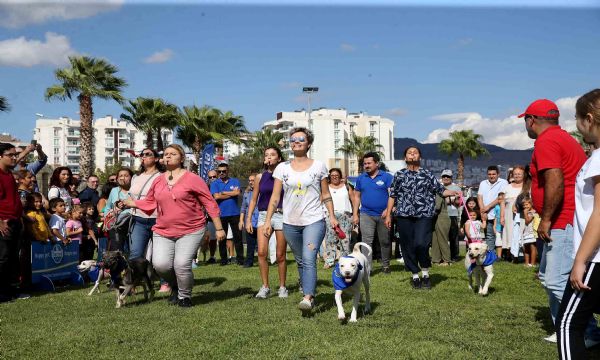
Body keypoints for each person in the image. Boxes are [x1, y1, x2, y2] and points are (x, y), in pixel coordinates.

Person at [519, 98, 596, 344]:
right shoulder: (562, 138)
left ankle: (588, 331)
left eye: (526, 121)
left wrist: (547, 219)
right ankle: (563, 326)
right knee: (547, 277)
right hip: (563, 218)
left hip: (562, 219)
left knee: (558, 279)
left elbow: (555, 180)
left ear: (531, 120)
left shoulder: (547, 140)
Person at [123, 144, 224, 307]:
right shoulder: (158, 180)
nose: (168, 156)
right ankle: (176, 285)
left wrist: (219, 229)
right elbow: (150, 202)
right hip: (163, 229)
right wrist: (132, 203)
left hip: (191, 229)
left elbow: (209, 202)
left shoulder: (193, 178)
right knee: (160, 265)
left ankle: (184, 296)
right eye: (166, 154)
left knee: (181, 264)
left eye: (173, 154)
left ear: (181, 158)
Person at [263, 127, 338, 313]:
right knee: (300, 260)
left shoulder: (319, 166)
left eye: (301, 139)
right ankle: (307, 287)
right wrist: (267, 221)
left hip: (314, 219)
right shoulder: (282, 168)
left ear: (308, 144)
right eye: (293, 139)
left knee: (308, 257)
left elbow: (326, 193)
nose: (296, 142)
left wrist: (332, 216)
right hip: (290, 223)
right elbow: (275, 197)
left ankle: (308, 297)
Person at [556, 88, 600, 358]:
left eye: (576, 119)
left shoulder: (598, 159)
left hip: (595, 258)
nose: (577, 126)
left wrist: (580, 260)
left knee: (567, 325)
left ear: (589, 119)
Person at [384, 146, 461, 290]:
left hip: (424, 215)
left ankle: (425, 272)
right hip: (403, 215)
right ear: (405, 158)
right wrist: (388, 215)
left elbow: (440, 190)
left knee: (421, 244)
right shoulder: (399, 175)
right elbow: (392, 195)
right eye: (409, 153)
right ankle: (415, 275)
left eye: (415, 152)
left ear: (420, 157)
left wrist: (452, 192)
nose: (412, 154)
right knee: (407, 246)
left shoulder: (427, 174)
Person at [246, 147, 288, 299]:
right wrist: (249, 219)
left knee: (280, 254)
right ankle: (265, 287)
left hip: (281, 215)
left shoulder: (285, 175)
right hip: (263, 216)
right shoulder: (259, 177)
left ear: (279, 158)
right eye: (266, 155)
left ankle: (283, 287)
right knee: (262, 252)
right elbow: (253, 199)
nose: (269, 157)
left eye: (272, 155)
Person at [352, 152, 394, 274]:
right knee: (366, 242)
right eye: (365, 163)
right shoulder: (361, 178)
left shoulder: (387, 177)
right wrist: (355, 214)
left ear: (377, 163)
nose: (366, 165)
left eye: (369, 163)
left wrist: (388, 210)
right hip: (366, 214)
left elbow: (392, 195)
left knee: (385, 241)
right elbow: (356, 197)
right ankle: (367, 268)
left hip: (384, 215)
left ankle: (386, 265)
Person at [0, 143, 25, 302]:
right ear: (0, 156)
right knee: (3, 258)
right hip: (4, 223)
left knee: (12, 258)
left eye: (16, 154)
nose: (15, 158)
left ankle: (9, 290)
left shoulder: (9, 173)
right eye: (11, 155)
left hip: (15, 221)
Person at [128, 148, 162, 260]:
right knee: (135, 255)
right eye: (142, 154)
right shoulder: (136, 177)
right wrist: (123, 203)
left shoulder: (162, 176)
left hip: (158, 220)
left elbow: (159, 199)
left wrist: (133, 203)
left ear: (156, 158)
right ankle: (134, 277)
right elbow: (131, 196)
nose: (144, 156)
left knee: (161, 257)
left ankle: (165, 278)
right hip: (138, 220)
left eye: (148, 154)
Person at [210, 163, 243, 265]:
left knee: (238, 237)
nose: (221, 173)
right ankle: (223, 260)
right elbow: (216, 197)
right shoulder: (214, 183)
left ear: (227, 171)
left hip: (235, 213)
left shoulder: (235, 181)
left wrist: (224, 192)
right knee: (222, 239)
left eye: (223, 171)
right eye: (219, 171)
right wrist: (231, 193)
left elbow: (237, 193)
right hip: (221, 214)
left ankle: (240, 259)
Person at [323, 168, 353, 269]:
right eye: (332, 175)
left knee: (345, 239)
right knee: (330, 239)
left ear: (340, 176)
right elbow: (321, 201)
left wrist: (355, 214)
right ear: (329, 177)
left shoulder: (347, 186)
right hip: (330, 215)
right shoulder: (326, 187)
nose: (334, 177)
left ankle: (345, 260)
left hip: (345, 215)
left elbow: (353, 199)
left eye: (336, 175)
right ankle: (329, 261)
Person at [477, 166, 509, 253]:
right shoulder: (483, 183)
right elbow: (479, 197)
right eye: (489, 174)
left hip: (498, 213)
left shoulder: (503, 182)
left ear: (498, 174)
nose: (491, 176)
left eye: (494, 174)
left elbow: (500, 198)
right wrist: (482, 211)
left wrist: (487, 207)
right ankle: (490, 253)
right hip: (486, 214)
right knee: (489, 235)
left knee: (500, 234)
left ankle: (503, 254)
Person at [102, 168, 133, 252]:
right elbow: (107, 207)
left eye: (126, 176)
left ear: (131, 177)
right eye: (120, 176)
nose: (123, 178)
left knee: (132, 251)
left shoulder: (135, 190)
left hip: (133, 224)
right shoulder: (114, 190)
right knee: (117, 250)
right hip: (116, 225)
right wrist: (107, 217)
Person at [500, 165, 526, 260]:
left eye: (519, 174)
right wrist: (502, 216)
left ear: (523, 175)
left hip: (522, 213)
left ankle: (522, 254)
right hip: (508, 215)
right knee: (509, 232)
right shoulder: (506, 187)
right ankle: (510, 254)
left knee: (521, 232)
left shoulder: (527, 186)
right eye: (515, 174)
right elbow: (502, 202)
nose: (517, 175)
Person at [441, 170, 462, 261]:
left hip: (452, 214)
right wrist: (450, 200)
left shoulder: (456, 188)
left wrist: (450, 200)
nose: (446, 178)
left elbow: (459, 202)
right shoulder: (438, 187)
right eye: (444, 176)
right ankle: (443, 255)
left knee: (453, 236)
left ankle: (455, 255)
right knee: (442, 236)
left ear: (451, 178)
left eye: (448, 176)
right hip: (440, 215)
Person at [239, 173, 259, 268]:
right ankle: (249, 262)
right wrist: (241, 220)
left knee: (260, 245)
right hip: (249, 221)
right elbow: (243, 207)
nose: (251, 182)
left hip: (260, 221)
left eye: (253, 180)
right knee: (250, 243)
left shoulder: (261, 192)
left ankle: (262, 261)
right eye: (249, 180)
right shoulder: (246, 193)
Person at [205, 170, 219, 264]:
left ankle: (228, 257)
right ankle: (211, 256)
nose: (212, 179)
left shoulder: (221, 185)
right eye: (210, 177)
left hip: (222, 214)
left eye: (214, 177)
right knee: (210, 238)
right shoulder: (205, 187)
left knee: (228, 238)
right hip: (209, 216)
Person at [521, 196, 539, 267]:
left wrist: (525, 213)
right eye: (524, 205)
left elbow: (528, 221)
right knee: (526, 247)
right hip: (526, 232)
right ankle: (526, 263)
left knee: (532, 247)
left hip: (532, 232)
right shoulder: (527, 212)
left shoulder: (532, 212)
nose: (525, 206)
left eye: (527, 204)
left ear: (531, 204)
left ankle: (533, 263)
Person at [492, 192, 505, 258]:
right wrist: (494, 226)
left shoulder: (507, 207)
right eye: (499, 199)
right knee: (498, 242)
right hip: (498, 227)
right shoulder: (496, 207)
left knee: (505, 241)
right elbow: (495, 217)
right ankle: (499, 256)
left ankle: (507, 256)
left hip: (505, 227)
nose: (500, 201)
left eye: (502, 199)